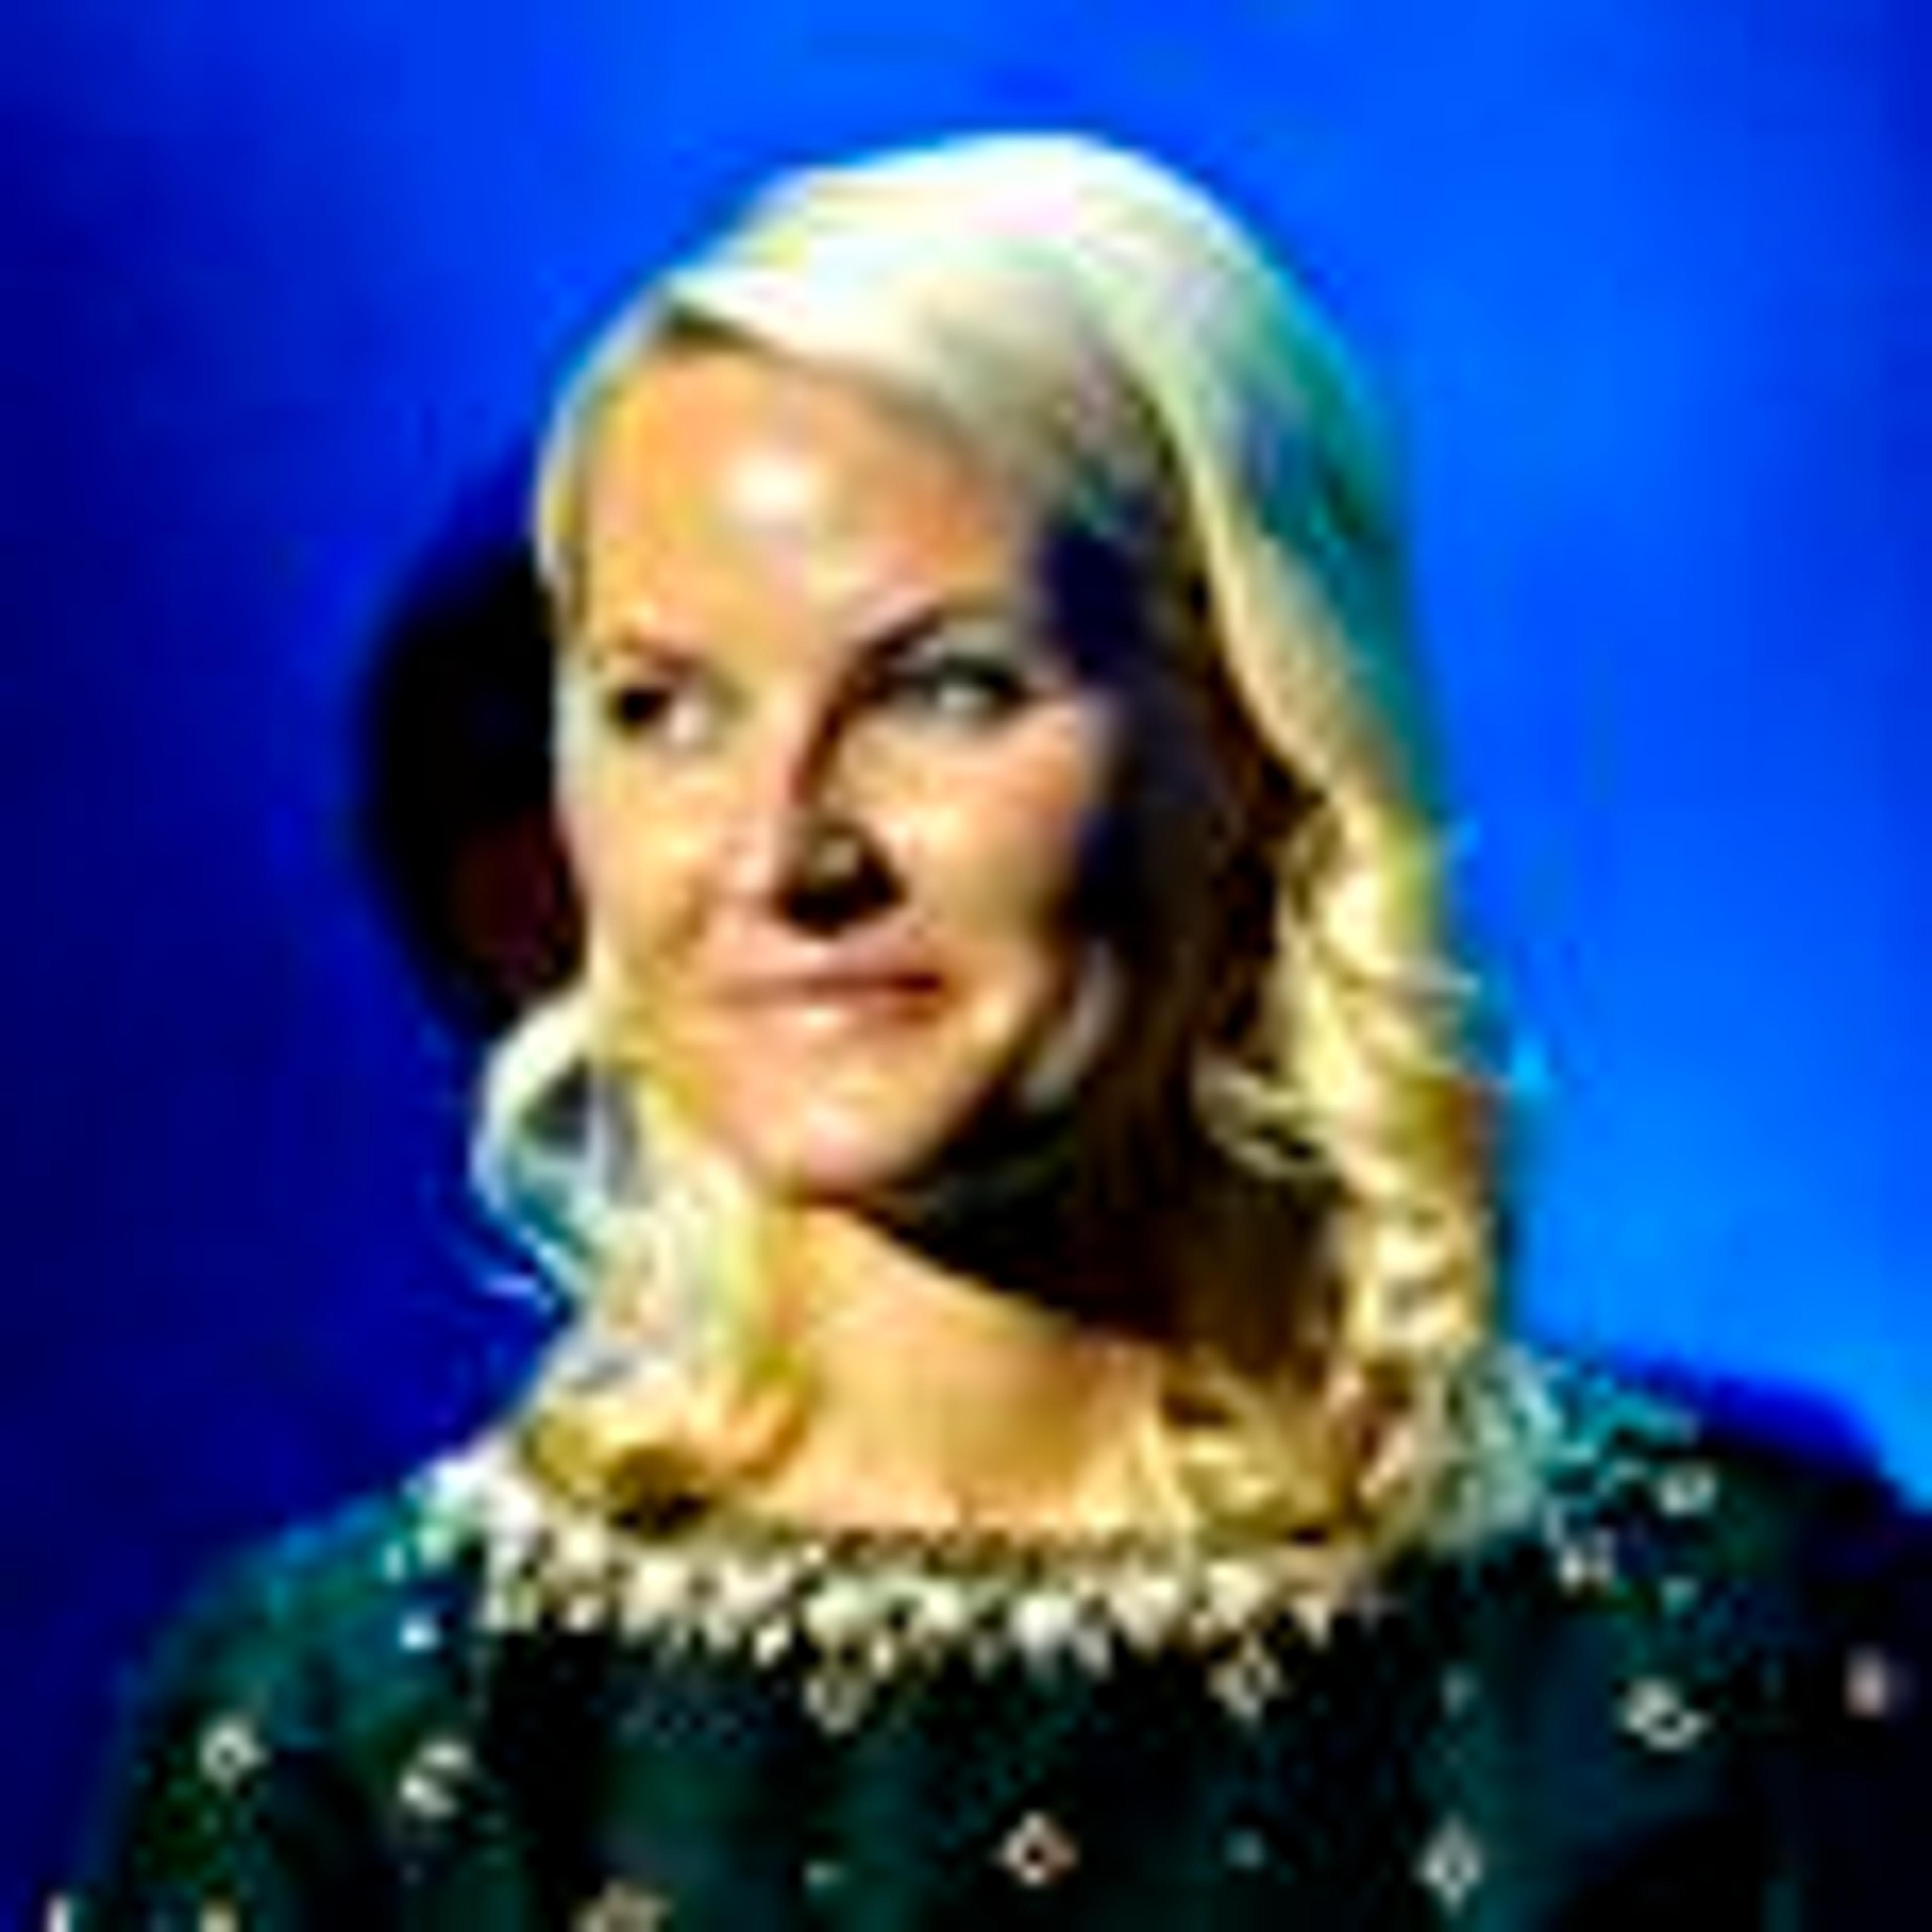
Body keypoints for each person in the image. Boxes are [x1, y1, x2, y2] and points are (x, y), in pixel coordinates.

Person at [66, 131, 1928, 1927]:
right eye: (662, 708)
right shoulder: (344, 1723)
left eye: (945, 690)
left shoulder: (1728, 1644)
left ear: (1264, 733)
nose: (783, 855)